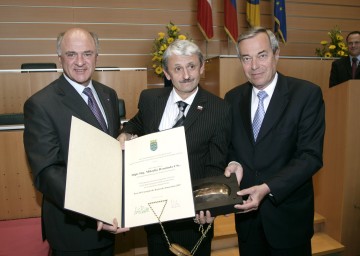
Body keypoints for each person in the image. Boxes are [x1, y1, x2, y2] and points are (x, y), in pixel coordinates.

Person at [118, 39, 231, 256]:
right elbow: (137, 122)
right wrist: (125, 132)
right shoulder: (150, 99)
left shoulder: (219, 109)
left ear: (202, 67)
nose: (186, 75)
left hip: (194, 214)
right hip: (155, 211)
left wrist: (208, 205)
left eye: (191, 66)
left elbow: (215, 162)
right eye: (177, 69)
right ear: (167, 73)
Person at [23, 27, 129, 256]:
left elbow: (110, 140)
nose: (80, 61)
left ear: (97, 57)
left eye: (87, 54)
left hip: (109, 224)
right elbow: (48, 172)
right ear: (60, 58)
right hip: (74, 228)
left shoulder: (108, 94)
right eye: (71, 54)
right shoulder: (41, 104)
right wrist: (96, 209)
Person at [224, 27, 325, 256]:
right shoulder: (232, 98)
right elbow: (232, 148)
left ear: (276, 54)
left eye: (262, 55)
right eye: (246, 58)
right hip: (248, 223)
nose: (254, 66)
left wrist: (268, 188)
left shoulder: (306, 94)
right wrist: (234, 163)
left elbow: (310, 157)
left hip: (288, 221)